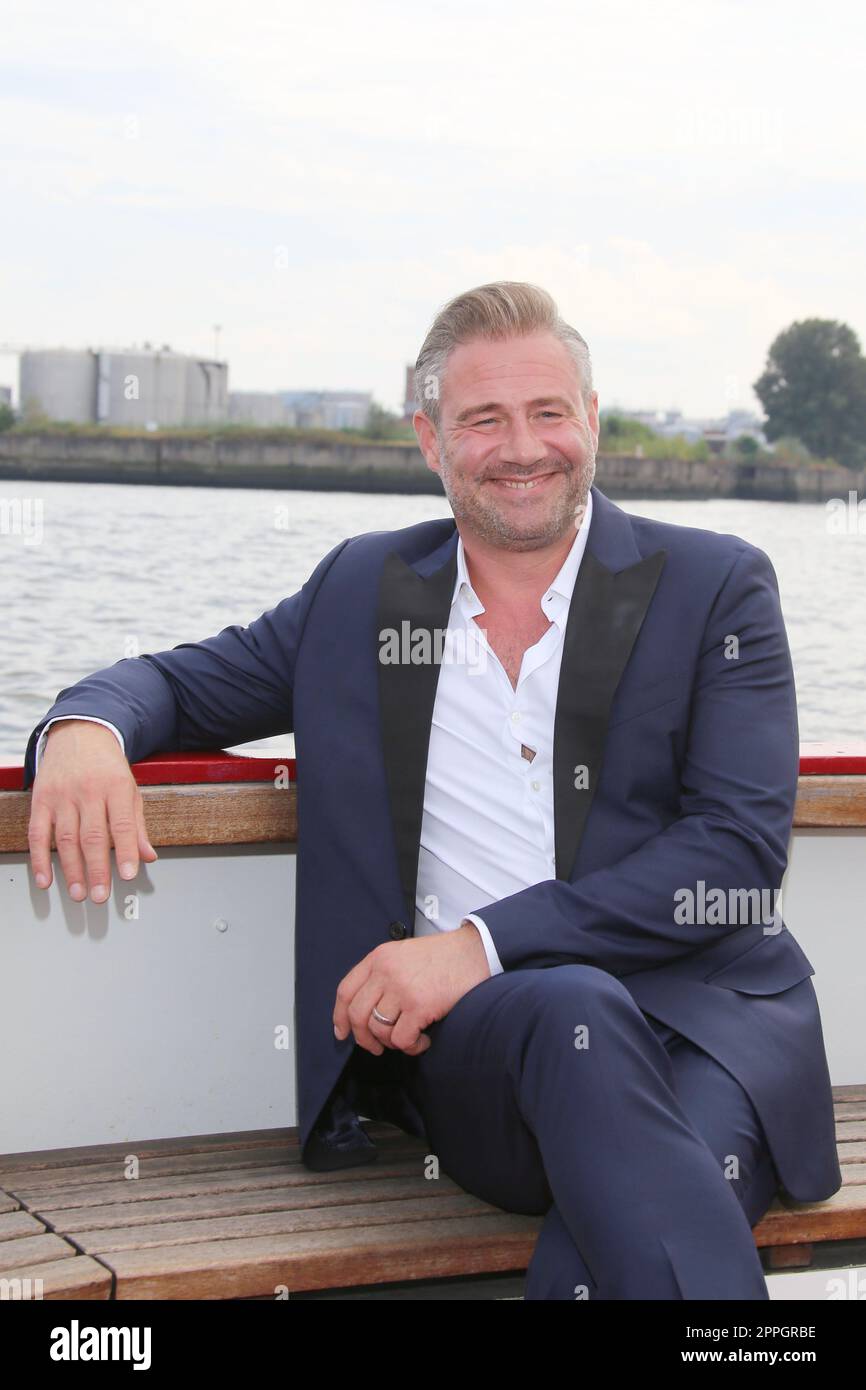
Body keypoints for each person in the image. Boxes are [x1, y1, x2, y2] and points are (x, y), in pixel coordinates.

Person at [24, 281, 841, 1300]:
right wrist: (84, 732)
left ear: (589, 420)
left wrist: (476, 943)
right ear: (428, 439)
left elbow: (732, 851)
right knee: (569, 1013)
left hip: (704, 1031)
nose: (522, 446)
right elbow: (174, 683)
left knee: (601, 1260)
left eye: (547, 411)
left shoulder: (714, 585)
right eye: (482, 418)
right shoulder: (359, 594)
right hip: (480, 1057)